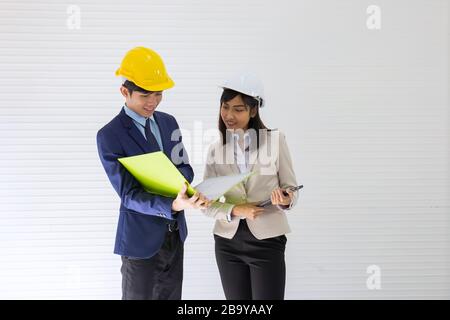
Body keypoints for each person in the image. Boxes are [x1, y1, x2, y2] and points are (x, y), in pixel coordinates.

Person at [96, 46, 210, 300]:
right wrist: (172, 203)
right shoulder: (110, 135)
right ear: (125, 92)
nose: (153, 102)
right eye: (145, 95)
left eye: (158, 94)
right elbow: (128, 194)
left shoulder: (168, 122)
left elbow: (185, 168)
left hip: (174, 237)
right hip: (140, 242)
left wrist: (185, 192)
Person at [202, 72, 299, 300]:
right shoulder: (216, 150)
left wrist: (286, 199)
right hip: (227, 243)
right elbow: (206, 204)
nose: (229, 115)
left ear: (253, 110)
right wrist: (235, 210)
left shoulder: (275, 141)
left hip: (267, 241)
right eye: (225, 107)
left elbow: (291, 188)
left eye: (238, 109)